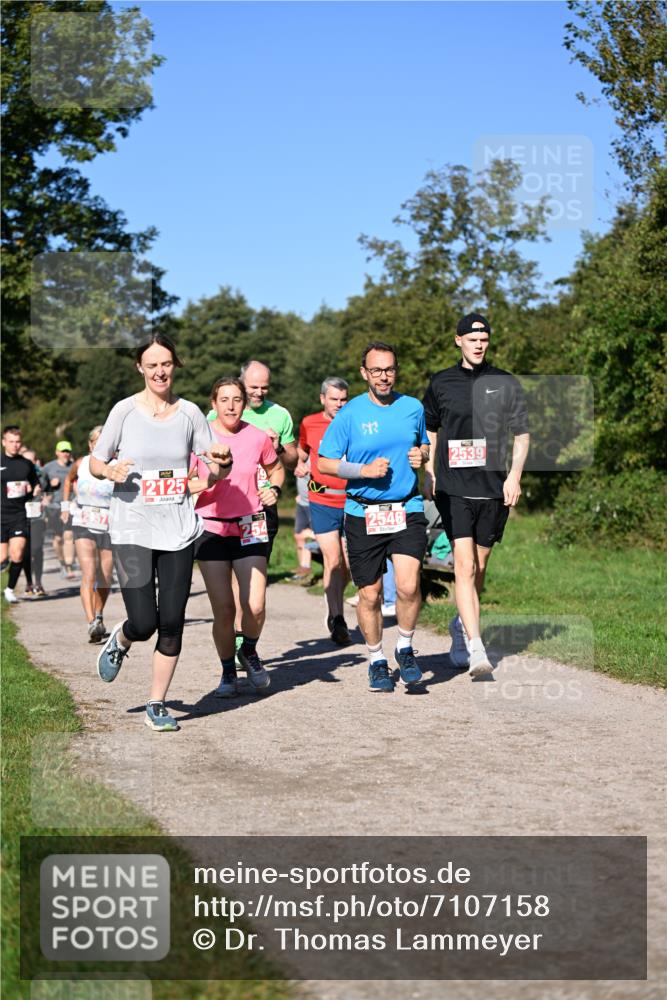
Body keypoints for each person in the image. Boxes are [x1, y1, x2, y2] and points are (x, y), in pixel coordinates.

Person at [91, 333, 232, 732]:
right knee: (145, 621)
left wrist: (221, 463)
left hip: (179, 529)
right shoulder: (124, 411)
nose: (159, 371)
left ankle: (157, 702)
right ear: (140, 368)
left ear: (175, 366)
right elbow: (95, 461)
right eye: (151, 364)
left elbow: (214, 467)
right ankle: (123, 637)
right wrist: (109, 470)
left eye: (165, 363)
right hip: (132, 527)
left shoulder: (190, 414)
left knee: (172, 621)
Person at [422, 312, 530, 678]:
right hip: (454, 488)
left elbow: (522, 433)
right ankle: (476, 647)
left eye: (483, 339)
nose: (479, 345)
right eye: (472, 339)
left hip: (492, 488)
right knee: (464, 567)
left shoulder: (505, 382)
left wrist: (514, 476)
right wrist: (430, 470)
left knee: (478, 569)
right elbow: (431, 431)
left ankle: (458, 625)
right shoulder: (441, 383)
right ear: (459, 341)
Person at [318, 342, 430, 692]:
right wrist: (362, 470)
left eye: (390, 369)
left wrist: (421, 455)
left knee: (410, 586)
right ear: (364, 373)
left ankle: (406, 647)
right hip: (363, 512)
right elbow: (324, 462)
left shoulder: (412, 407)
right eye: (377, 370)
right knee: (370, 595)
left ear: (397, 371)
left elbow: (423, 443)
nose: (384, 376)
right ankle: (376, 659)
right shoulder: (350, 413)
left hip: (406, 507)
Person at [190, 376, 284, 696]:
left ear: (244, 404)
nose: (231, 406)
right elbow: (183, 482)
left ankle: (250, 650)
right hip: (211, 528)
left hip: (250, 525)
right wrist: (204, 485)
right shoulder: (199, 440)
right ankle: (228, 672)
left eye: (237, 400)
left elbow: (276, 469)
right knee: (225, 610)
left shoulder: (257, 437)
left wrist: (274, 488)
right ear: (213, 404)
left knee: (255, 605)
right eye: (224, 400)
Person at [297, 376, 351, 645]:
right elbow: (302, 450)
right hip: (321, 499)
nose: (339, 405)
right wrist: (299, 463)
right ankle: (337, 617)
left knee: (350, 564)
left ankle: (337, 603)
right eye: (334, 399)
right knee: (333, 560)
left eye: (343, 399)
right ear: (323, 399)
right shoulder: (310, 422)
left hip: (352, 500)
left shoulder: (355, 422)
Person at [62, 426, 115, 642]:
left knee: (105, 576)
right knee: (89, 574)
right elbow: (68, 480)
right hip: (83, 521)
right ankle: (91, 621)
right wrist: (66, 506)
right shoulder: (80, 464)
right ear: (90, 445)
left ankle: (99, 614)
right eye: (96, 443)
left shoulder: (116, 466)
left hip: (109, 524)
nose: (100, 447)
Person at [1, 426, 41, 602]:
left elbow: (36, 484)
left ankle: (9, 589)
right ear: (4, 442)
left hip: (19, 514)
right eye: (11, 442)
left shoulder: (26, 464)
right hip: (0, 515)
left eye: (18, 442)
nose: (15, 445)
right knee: (2, 558)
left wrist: (35, 490)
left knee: (17, 553)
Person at [41, 440, 76, 579]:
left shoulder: (74, 467)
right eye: (63, 451)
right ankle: (62, 563)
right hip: (54, 506)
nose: (66, 454)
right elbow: (40, 486)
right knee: (57, 538)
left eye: (68, 451)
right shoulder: (48, 468)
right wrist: (50, 484)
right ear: (57, 452)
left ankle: (69, 567)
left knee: (69, 535)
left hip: (71, 505)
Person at [21, 448, 47, 597]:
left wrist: (45, 498)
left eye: (32, 460)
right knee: (25, 553)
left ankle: (38, 582)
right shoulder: (17, 474)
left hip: (37, 517)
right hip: (20, 517)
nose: (30, 463)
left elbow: (50, 492)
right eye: (27, 460)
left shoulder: (42, 475)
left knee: (37, 549)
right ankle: (29, 582)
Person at [291, 462, 313, 582]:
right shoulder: (299, 457)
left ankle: (307, 568)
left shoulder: (317, 453)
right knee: (298, 536)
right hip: (302, 502)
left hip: (315, 504)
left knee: (314, 535)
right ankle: (303, 569)